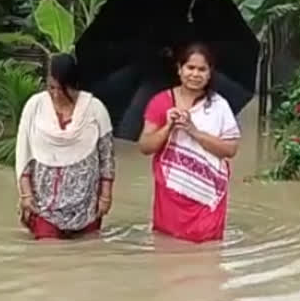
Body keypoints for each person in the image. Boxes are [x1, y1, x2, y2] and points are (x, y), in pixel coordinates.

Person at [138, 43, 241, 243]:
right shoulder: (161, 102)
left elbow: (230, 149)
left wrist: (194, 132)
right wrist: (168, 127)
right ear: (179, 69)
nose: (195, 74)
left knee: (207, 253)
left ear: (210, 73)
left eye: (202, 69)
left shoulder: (219, 106)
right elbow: (145, 147)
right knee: (168, 250)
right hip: (170, 194)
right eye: (190, 68)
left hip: (207, 193)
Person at [15, 53, 115, 240]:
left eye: (62, 88)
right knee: (48, 261)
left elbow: (106, 157)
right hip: (43, 205)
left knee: (88, 259)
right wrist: (26, 195)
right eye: (51, 87)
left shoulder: (95, 109)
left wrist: (105, 197)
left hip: (86, 204)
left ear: (74, 84)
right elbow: (24, 154)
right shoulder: (34, 107)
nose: (56, 94)